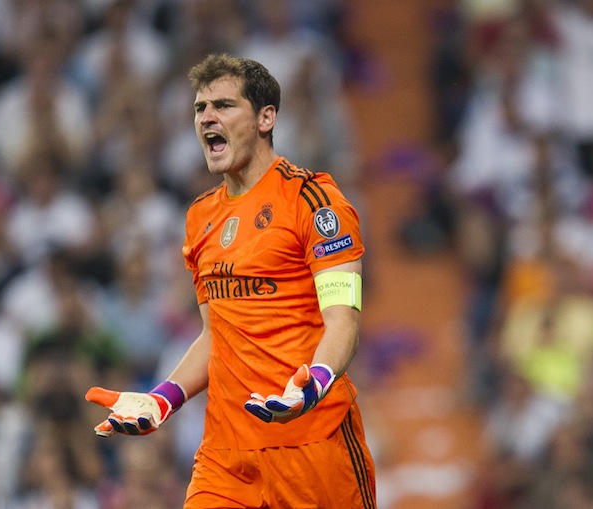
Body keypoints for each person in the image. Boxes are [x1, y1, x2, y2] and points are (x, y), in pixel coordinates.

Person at [85, 53, 377, 509]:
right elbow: (214, 335)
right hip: (226, 457)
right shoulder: (200, 217)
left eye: (223, 105)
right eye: (200, 108)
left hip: (312, 448)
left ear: (265, 118)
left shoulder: (314, 202)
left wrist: (314, 384)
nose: (207, 117)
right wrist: (163, 400)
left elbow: (343, 321)